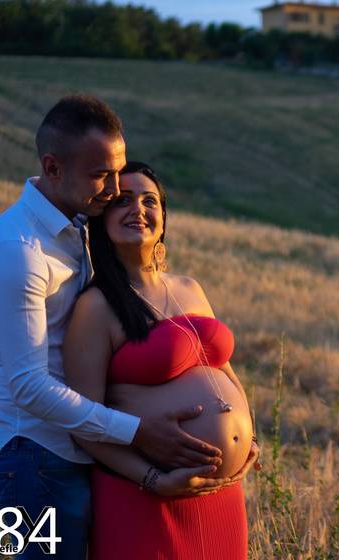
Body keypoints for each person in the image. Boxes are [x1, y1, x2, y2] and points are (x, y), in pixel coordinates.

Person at [0, 95, 228, 559]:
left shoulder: (76, 230)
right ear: (52, 168)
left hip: (74, 457)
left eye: (118, 171)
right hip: (33, 462)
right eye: (100, 175)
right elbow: (29, 386)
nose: (111, 189)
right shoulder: (19, 252)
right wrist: (137, 430)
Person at [62, 161, 258, 559]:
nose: (139, 209)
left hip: (221, 496)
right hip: (146, 496)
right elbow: (83, 423)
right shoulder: (96, 307)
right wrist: (153, 479)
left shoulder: (190, 287)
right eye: (123, 200)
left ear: (163, 218)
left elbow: (224, 371)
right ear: (102, 217)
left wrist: (247, 435)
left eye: (149, 200)